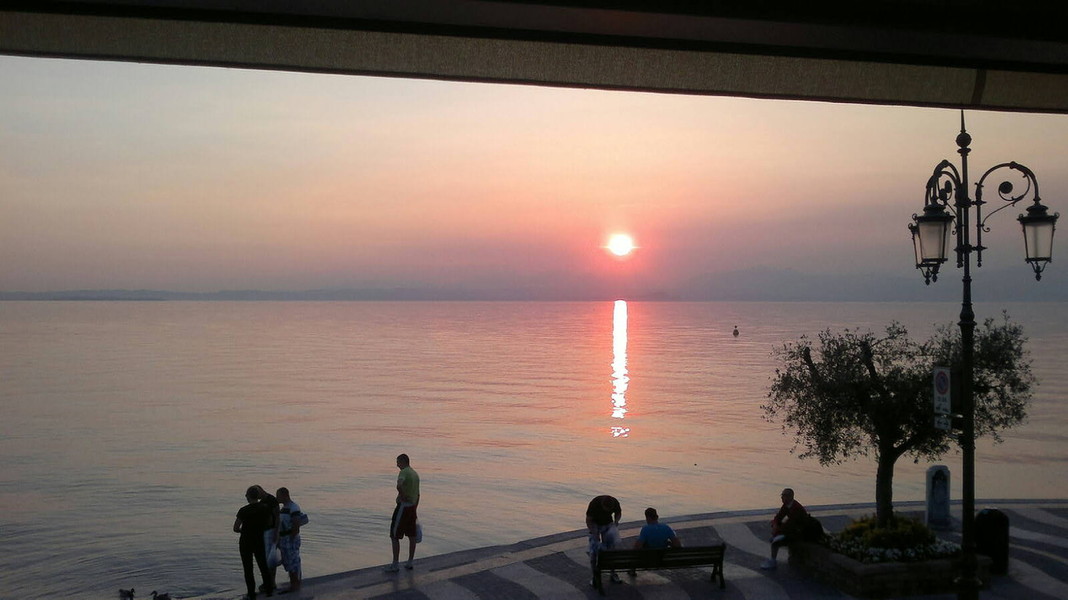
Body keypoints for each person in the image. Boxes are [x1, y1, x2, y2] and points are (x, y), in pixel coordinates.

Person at [234, 485, 276, 599]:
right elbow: (270, 522)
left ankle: (251, 593)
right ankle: (269, 589)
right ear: (258, 496)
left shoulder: (243, 510)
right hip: (259, 540)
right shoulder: (265, 508)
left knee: (248, 568)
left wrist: (243, 530)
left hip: (246, 541)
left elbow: (235, 528)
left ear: (248, 497)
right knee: (263, 566)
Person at [385, 453, 420, 572]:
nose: (397, 465)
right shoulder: (415, 474)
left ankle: (395, 564)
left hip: (403, 507)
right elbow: (418, 494)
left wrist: (403, 496)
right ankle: (410, 562)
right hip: (412, 507)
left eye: (398, 462)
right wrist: (415, 508)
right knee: (412, 535)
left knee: (394, 535)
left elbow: (399, 485)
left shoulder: (404, 472)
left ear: (403, 462)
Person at [761, 487, 808, 569]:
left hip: (799, 532)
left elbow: (791, 525)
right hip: (791, 530)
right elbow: (778, 517)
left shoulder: (796, 508)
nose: (782, 497)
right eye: (782, 495)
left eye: (784, 495)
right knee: (776, 536)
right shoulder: (786, 505)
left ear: (790, 497)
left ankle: (773, 561)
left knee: (775, 542)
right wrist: (775, 525)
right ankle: (773, 559)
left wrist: (778, 531)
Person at [276, 487, 309, 593]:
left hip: (289, 538)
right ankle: (293, 583)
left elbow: (296, 524)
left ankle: (295, 585)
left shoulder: (293, 508)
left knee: (293, 561)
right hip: (284, 538)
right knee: (288, 562)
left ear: (284, 495)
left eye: (278, 496)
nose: (277, 498)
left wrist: (291, 538)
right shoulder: (284, 508)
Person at [586, 495, 623, 584]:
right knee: (594, 551)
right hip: (595, 524)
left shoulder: (615, 502)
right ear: (602, 505)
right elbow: (588, 520)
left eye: (609, 510)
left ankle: (613, 573)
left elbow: (618, 513)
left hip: (608, 524)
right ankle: (595, 576)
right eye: (606, 509)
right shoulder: (594, 503)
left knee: (611, 550)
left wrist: (616, 521)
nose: (607, 511)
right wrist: (594, 532)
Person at [252, 485, 281, 592]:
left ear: (260, 491)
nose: (257, 497)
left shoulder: (271, 500)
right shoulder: (261, 502)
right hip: (264, 532)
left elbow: (277, 517)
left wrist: (276, 532)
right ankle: (269, 582)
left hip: (271, 531)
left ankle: (271, 582)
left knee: (270, 558)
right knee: (266, 558)